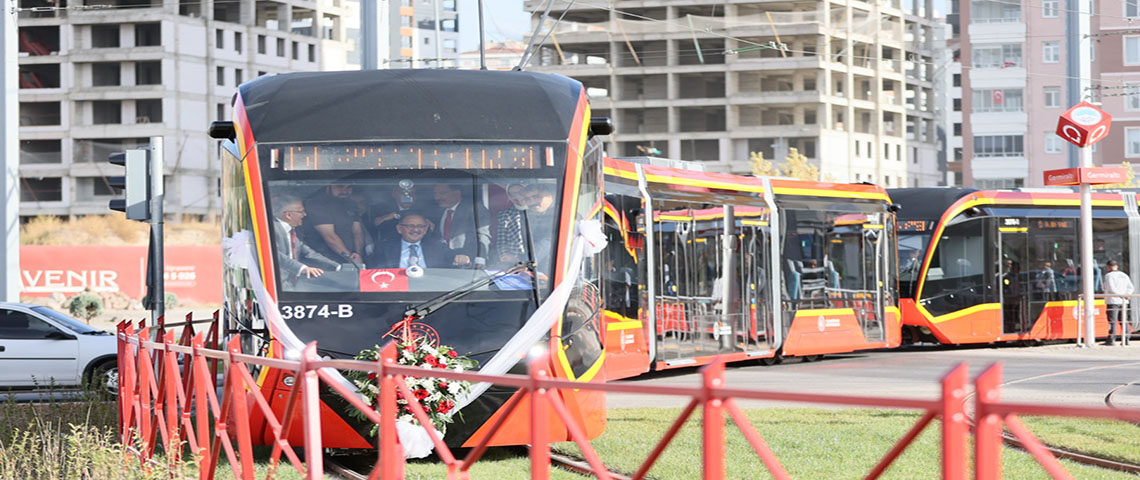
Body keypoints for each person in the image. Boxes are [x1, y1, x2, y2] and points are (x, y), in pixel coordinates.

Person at [271, 195, 341, 281]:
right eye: (301, 211)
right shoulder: (272, 228)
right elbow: (274, 254)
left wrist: (338, 267)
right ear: (288, 215)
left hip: (292, 283)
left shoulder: (294, 231)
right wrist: (303, 268)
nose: (305, 214)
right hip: (277, 283)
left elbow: (309, 253)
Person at [303, 184, 365, 267]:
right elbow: (329, 236)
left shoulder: (351, 204)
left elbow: (358, 231)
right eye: (340, 187)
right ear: (328, 187)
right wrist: (351, 258)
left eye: (348, 187)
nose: (345, 191)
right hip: (324, 259)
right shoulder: (316, 204)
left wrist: (358, 255)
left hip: (352, 258)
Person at [432, 183, 491, 268]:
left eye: (442, 193)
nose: (437, 198)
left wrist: (480, 259)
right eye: (435, 194)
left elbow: (482, 235)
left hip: (466, 264)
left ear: (457, 193)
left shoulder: (474, 208)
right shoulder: (439, 211)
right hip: (443, 263)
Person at [371, 213, 453, 269]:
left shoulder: (438, 247)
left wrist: (462, 257)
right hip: (397, 290)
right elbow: (375, 271)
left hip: (430, 290)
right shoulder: (384, 248)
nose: (416, 229)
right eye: (410, 226)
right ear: (399, 229)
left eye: (420, 226)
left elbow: (452, 261)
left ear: (425, 230)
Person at [494, 184, 529, 266]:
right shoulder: (505, 214)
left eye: (521, 192)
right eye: (513, 194)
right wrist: (505, 257)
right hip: (513, 263)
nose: (517, 196)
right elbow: (501, 241)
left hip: (535, 262)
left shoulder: (536, 211)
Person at [1104, 260, 1133, 346]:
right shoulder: (1124, 275)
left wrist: (1120, 295)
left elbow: (1110, 288)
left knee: (1112, 321)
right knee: (1124, 321)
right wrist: (1126, 295)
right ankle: (1126, 339)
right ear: (1117, 266)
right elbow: (1130, 287)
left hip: (1113, 301)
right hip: (1124, 301)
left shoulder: (1108, 275)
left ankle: (1111, 340)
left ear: (1108, 267)